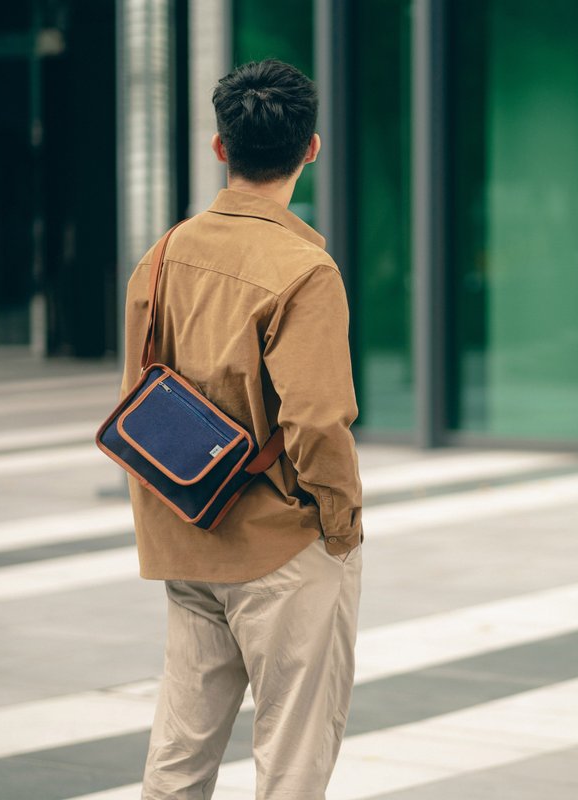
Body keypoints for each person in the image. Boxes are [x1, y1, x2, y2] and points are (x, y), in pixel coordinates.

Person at [120, 59, 364, 800]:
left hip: (185, 533)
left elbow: (138, 395)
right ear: (311, 148)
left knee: (179, 753)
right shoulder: (304, 270)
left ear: (221, 148)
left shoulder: (160, 258)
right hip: (278, 545)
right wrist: (340, 524)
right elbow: (318, 420)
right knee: (292, 758)